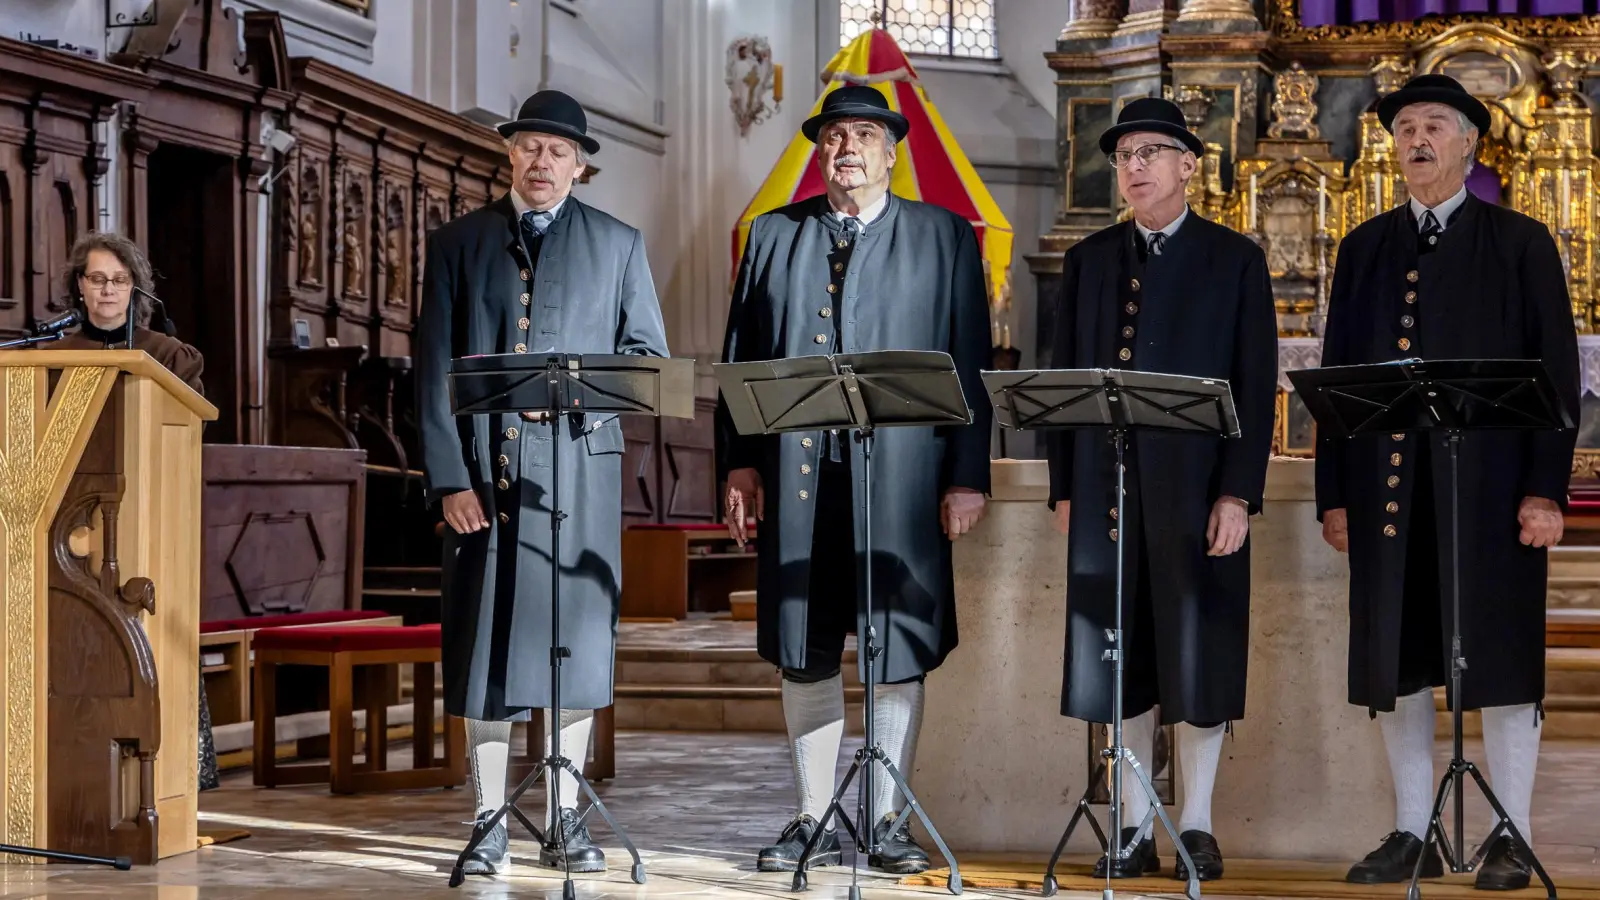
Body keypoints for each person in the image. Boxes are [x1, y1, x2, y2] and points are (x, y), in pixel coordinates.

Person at [717, 84, 992, 876]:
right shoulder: (772, 235)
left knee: (897, 647)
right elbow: (741, 360)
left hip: (905, 485)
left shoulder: (944, 237)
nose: (847, 148)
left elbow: (971, 360)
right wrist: (739, 460)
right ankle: (810, 815)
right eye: (834, 135)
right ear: (820, 152)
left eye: (864, 134)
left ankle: (885, 818)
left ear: (892, 151)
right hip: (799, 482)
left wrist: (966, 475)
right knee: (803, 645)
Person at [1317, 74, 1579, 891]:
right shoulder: (1362, 249)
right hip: (1390, 497)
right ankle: (1409, 828)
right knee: (1397, 662)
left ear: (1470, 143)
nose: (1417, 140)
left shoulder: (1523, 242)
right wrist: (1335, 495)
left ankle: (1511, 832)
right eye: (1405, 129)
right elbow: (1338, 381)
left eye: (1435, 126)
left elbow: (1558, 378)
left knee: (1500, 662)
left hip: (1492, 497)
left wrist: (1546, 490)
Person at [416, 89, 669, 877]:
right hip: (485, 487)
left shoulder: (620, 245)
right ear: (508, 153)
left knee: (578, 651)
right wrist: (449, 480)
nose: (541, 162)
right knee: (485, 654)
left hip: (579, 490)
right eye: (528, 146)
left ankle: (565, 819)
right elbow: (431, 374)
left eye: (557, 151)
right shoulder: (458, 243)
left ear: (581, 164)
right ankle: (489, 820)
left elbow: (649, 365)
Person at [1045, 97, 1278, 881]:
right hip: (1105, 494)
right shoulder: (1087, 261)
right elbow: (1063, 381)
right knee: (1123, 657)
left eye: (1151, 152)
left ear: (1189, 165)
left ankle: (1199, 825)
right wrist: (1063, 488)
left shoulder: (1235, 260)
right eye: (1123, 155)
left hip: (1198, 494)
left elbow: (1253, 384)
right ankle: (1136, 826)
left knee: (1199, 655)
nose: (1133, 166)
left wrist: (1238, 494)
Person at [52, 232, 205, 395]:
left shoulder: (169, 355)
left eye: (119, 280)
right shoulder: (52, 358)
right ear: (80, 284)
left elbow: (190, 419)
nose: (108, 290)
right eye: (97, 279)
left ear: (134, 286)